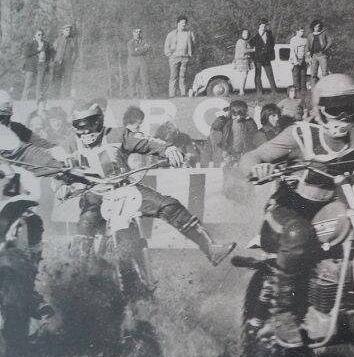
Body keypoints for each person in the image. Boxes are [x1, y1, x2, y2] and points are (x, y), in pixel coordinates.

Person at [238, 74, 354, 347]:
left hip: (330, 208)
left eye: (350, 107)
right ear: (319, 107)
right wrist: (257, 167)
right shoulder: (300, 134)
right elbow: (251, 157)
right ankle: (283, 314)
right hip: (288, 211)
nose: (343, 115)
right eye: (335, 107)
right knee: (298, 233)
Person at [63, 101, 234, 265]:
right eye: (80, 127)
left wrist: (168, 148)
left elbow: (146, 141)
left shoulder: (117, 134)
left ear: (99, 121)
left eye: (89, 125)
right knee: (86, 224)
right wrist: (63, 186)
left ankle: (210, 248)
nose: (85, 132)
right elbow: (56, 167)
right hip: (94, 195)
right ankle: (74, 275)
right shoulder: (70, 145)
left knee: (169, 205)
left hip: (125, 188)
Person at [0, 105, 67, 357]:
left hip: (8, 196)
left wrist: (61, 166)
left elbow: (27, 151)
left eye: (3, 117)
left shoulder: (12, 135)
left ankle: (30, 286)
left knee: (29, 223)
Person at [210, 100, 259, 165]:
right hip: (228, 150)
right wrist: (221, 118)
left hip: (242, 150)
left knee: (242, 167)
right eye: (234, 114)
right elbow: (215, 127)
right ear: (231, 112)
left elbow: (254, 131)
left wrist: (249, 119)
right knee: (228, 166)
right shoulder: (226, 121)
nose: (237, 117)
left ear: (244, 113)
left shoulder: (247, 122)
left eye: (240, 114)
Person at [164, 15, 196, 98]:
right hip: (174, 58)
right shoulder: (171, 34)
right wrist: (169, 54)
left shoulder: (189, 33)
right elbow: (166, 46)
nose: (183, 25)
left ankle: (183, 93)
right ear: (177, 23)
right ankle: (172, 94)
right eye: (182, 23)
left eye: (185, 23)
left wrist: (190, 53)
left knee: (183, 75)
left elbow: (193, 44)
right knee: (173, 76)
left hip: (185, 57)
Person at [22, 29, 53, 102]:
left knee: (40, 84)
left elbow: (48, 55)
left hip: (41, 65)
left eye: (42, 34)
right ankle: (24, 100)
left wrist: (47, 64)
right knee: (28, 84)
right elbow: (26, 54)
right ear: (35, 36)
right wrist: (37, 50)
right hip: (31, 66)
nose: (40, 36)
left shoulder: (46, 44)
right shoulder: (30, 43)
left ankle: (38, 101)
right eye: (38, 35)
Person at [250, 20, 278, 94]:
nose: (263, 27)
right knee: (258, 75)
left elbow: (272, 44)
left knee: (270, 74)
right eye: (261, 25)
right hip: (258, 58)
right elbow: (251, 47)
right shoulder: (254, 36)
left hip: (266, 58)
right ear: (259, 26)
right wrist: (253, 58)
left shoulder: (269, 34)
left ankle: (274, 91)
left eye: (264, 25)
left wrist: (269, 52)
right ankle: (259, 91)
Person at [51, 25, 78, 99]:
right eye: (66, 30)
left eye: (69, 30)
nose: (68, 32)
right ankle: (55, 96)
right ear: (63, 31)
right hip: (58, 62)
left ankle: (67, 96)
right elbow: (53, 50)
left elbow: (75, 52)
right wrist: (54, 60)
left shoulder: (72, 40)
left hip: (68, 63)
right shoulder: (58, 40)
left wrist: (72, 62)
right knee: (57, 80)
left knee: (68, 80)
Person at [126, 27, 152, 98]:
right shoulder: (130, 43)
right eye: (136, 32)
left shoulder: (145, 41)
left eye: (139, 32)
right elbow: (133, 52)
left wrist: (138, 49)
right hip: (132, 64)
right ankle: (133, 96)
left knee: (145, 79)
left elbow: (148, 49)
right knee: (132, 81)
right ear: (133, 33)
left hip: (143, 63)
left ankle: (147, 96)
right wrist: (143, 49)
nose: (138, 34)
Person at [232, 28, 255, 96]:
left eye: (247, 33)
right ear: (241, 34)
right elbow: (244, 50)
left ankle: (242, 90)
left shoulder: (245, 41)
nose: (246, 35)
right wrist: (253, 50)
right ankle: (241, 91)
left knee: (244, 75)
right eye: (244, 33)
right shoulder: (240, 41)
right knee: (243, 75)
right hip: (241, 59)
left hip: (245, 59)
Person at [288, 26, 309, 93]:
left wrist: (307, 58)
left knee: (303, 76)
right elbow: (292, 51)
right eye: (301, 31)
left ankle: (303, 92)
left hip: (303, 60)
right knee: (296, 76)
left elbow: (307, 50)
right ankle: (296, 92)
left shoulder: (305, 40)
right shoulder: (293, 40)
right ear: (297, 31)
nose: (302, 33)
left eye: (303, 31)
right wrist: (295, 61)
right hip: (296, 60)